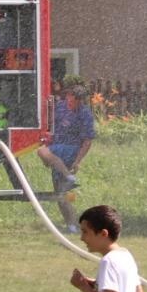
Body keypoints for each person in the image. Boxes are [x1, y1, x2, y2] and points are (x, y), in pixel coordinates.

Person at [36, 78, 94, 233]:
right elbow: (49, 122)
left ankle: (69, 176)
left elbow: (87, 141)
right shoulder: (60, 107)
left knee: (41, 151)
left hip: (71, 151)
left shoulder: (85, 114)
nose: (70, 102)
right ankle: (72, 225)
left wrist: (78, 161)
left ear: (80, 100)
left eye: (73, 101)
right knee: (60, 192)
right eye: (69, 99)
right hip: (56, 150)